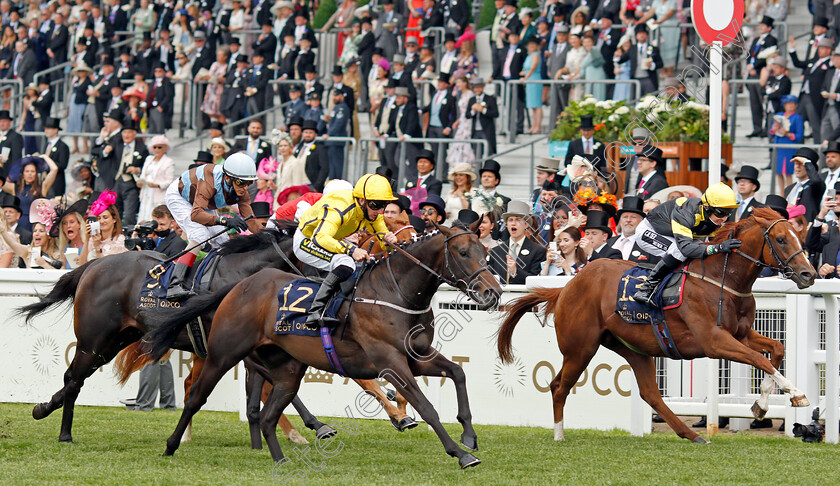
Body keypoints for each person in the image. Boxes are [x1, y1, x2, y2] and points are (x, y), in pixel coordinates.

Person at [294, 173, 397, 328]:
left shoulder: (372, 212)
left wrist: (389, 241)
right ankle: (315, 312)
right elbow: (320, 237)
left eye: (384, 205)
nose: (381, 212)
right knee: (347, 263)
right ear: (362, 200)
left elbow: (383, 241)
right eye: (376, 205)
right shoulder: (340, 206)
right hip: (308, 239)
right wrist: (350, 250)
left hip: (333, 239)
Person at [164, 153, 262, 300]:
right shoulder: (209, 182)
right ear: (228, 178)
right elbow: (196, 215)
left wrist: (268, 235)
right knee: (200, 235)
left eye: (249, 183)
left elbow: (251, 221)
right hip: (180, 197)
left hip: (204, 202)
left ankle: (214, 280)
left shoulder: (242, 192)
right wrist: (224, 221)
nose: (245, 188)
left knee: (222, 240)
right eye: (241, 183)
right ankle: (174, 283)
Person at [632, 183, 742, 308]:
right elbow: (686, 248)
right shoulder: (686, 212)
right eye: (721, 213)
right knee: (679, 251)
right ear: (707, 207)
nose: (724, 219)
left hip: (674, 234)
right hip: (649, 231)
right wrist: (718, 248)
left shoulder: (713, 217)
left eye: (729, 213)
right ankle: (645, 289)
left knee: (700, 248)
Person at [488, 200, 547, 285]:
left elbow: (535, 281)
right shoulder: (496, 251)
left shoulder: (538, 251)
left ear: (526, 224)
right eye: (510, 220)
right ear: (506, 224)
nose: (513, 223)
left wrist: (516, 271)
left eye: (518, 220)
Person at [0, 199, 62, 269]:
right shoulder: (28, 252)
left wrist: (44, 264)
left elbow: (60, 276)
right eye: (35, 231)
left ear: (49, 236)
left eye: (41, 231)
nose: (37, 234)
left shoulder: (58, 254)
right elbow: (13, 244)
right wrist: (2, 230)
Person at [79, 191, 127, 264]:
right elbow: (82, 264)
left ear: (114, 219)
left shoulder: (119, 240)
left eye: (105, 217)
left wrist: (97, 247)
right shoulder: (92, 239)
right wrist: (86, 240)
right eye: (98, 218)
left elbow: (108, 268)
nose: (101, 221)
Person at [138, 135, 175, 223]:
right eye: (155, 147)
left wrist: (156, 185)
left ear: (165, 148)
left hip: (158, 193)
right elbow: (143, 174)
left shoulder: (169, 161)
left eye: (160, 147)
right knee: (144, 211)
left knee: (156, 213)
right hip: (146, 191)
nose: (157, 149)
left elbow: (169, 181)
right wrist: (140, 182)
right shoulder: (149, 159)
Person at [771, 95, 804, 191]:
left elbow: (799, 136)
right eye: (787, 103)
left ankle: (788, 192)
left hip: (789, 147)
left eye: (792, 103)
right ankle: (781, 193)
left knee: (788, 171)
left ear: (795, 105)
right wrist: (774, 129)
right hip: (778, 146)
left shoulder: (797, 118)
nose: (789, 106)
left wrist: (788, 134)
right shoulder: (780, 115)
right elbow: (771, 131)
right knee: (778, 171)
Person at [783, 147, 824, 222]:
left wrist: (806, 162)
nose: (798, 166)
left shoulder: (814, 186)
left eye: (801, 164)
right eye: (796, 163)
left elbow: (817, 181)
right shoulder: (789, 188)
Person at [466, 77, 498, 157]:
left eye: (479, 87)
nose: (477, 89)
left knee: (489, 152)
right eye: (475, 87)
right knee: (477, 152)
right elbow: (467, 115)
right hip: (475, 131)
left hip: (486, 130)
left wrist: (483, 110)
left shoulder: (490, 99)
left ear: (483, 87)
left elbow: (495, 113)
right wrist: (473, 110)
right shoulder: (472, 100)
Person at [521, 37, 543, 134]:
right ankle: (533, 125)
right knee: (533, 105)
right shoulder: (528, 56)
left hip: (534, 79)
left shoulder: (536, 55)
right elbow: (526, 68)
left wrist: (526, 77)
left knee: (537, 105)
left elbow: (533, 67)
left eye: (533, 44)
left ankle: (538, 126)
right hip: (529, 80)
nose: (532, 46)